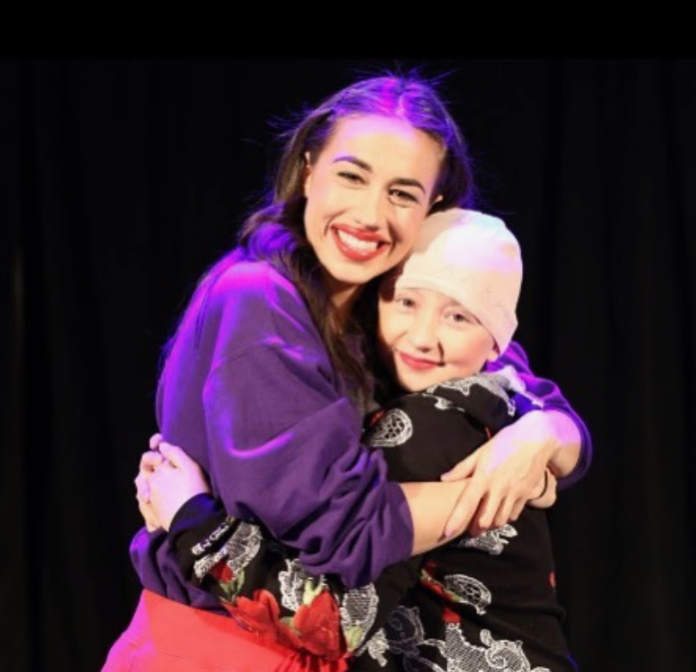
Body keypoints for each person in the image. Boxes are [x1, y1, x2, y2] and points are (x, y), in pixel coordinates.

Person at [102, 73, 590, 671]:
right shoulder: (258, 300)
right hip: (220, 650)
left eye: (403, 193)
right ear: (308, 169)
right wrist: (498, 488)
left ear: (434, 205)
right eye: (352, 176)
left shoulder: (396, 303)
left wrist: (539, 439)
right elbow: (347, 539)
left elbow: (525, 399)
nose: (369, 214)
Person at [142, 209, 578, 672]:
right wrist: (551, 431)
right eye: (405, 301)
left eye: (457, 316)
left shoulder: (428, 426)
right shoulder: (499, 394)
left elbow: (332, 622)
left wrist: (192, 523)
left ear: (495, 342)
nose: (424, 337)